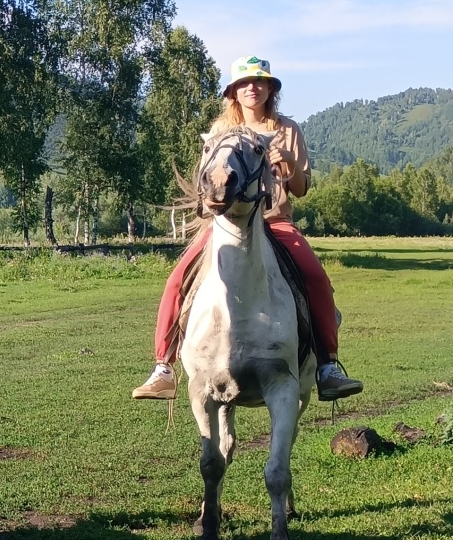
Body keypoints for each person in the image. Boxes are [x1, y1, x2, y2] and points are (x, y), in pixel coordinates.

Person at [133, 56, 362, 403]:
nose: (252, 88)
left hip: (275, 222)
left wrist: (286, 160)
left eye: (259, 81)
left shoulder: (287, 129)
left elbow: (301, 188)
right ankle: (163, 367)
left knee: (315, 279)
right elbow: (207, 184)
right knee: (177, 279)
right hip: (228, 224)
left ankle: (328, 366)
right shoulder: (218, 130)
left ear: (271, 88)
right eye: (244, 83)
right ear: (234, 92)